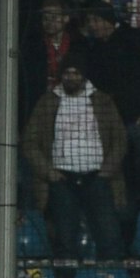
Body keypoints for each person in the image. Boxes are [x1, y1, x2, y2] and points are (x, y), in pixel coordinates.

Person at [24, 54, 126, 260]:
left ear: (84, 76)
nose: (71, 77)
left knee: (109, 236)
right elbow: (29, 141)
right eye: (67, 73)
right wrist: (50, 173)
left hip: (98, 178)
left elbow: (120, 139)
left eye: (76, 73)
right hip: (62, 179)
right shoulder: (47, 102)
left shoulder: (103, 101)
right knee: (65, 238)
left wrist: (106, 172)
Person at [77, 1, 140, 211]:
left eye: (95, 20)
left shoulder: (134, 40)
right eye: (89, 21)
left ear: (108, 20)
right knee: (127, 182)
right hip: (116, 126)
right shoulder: (95, 51)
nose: (92, 25)